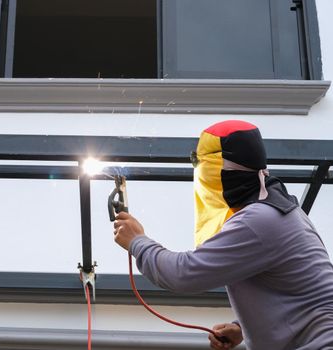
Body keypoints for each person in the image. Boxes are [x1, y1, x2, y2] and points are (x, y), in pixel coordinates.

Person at [113, 120, 333, 350]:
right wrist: (242, 328)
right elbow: (294, 293)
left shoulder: (259, 220)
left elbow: (184, 274)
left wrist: (137, 241)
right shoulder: (279, 209)